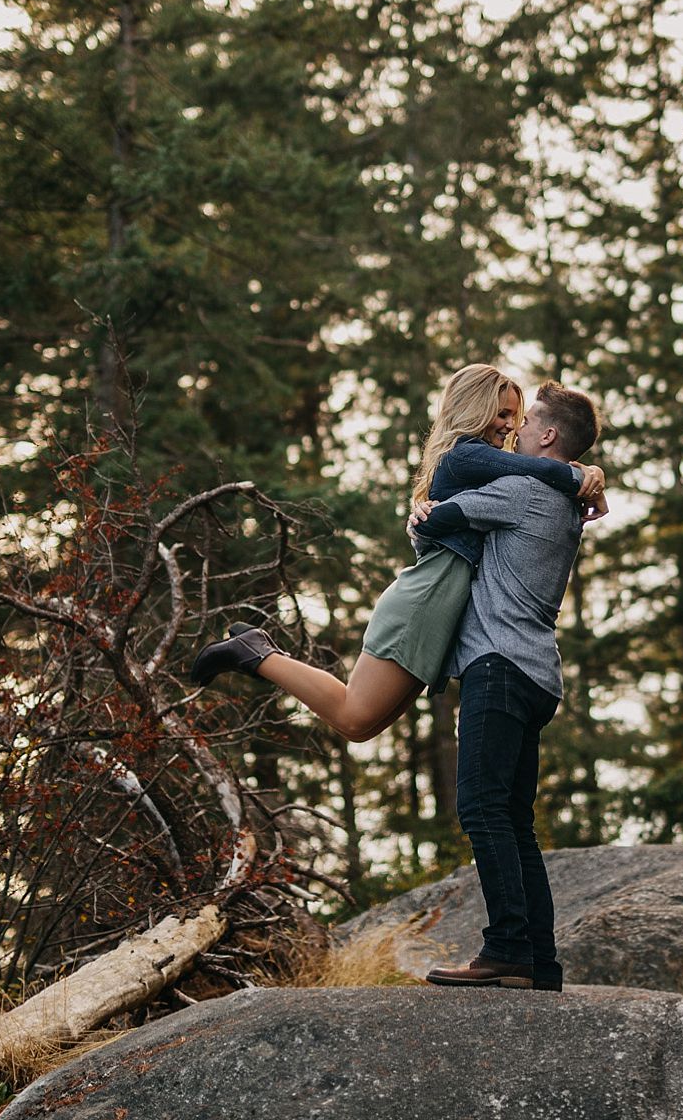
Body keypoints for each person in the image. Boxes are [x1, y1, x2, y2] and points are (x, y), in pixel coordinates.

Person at [189, 364, 607, 742]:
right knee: (353, 715)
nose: (512, 427)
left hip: (445, 605)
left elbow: (451, 521)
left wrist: (589, 474)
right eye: (503, 415)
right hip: (430, 596)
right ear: (475, 409)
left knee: (360, 727)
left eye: (516, 417)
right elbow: (537, 472)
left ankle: (257, 653)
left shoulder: (490, 466)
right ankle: (255, 653)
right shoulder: (467, 454)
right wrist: (582, 475)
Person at [415, 381, 601, 994]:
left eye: (527, 424)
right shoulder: (564, 502)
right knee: (515, 821)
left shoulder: (519, 491)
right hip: (537, 673)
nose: (515, 431)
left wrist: (423, 515)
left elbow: (432, 525)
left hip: (496, 667)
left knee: (482, 808)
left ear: (547, 436)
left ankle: (505, 949)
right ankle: (537, 960)